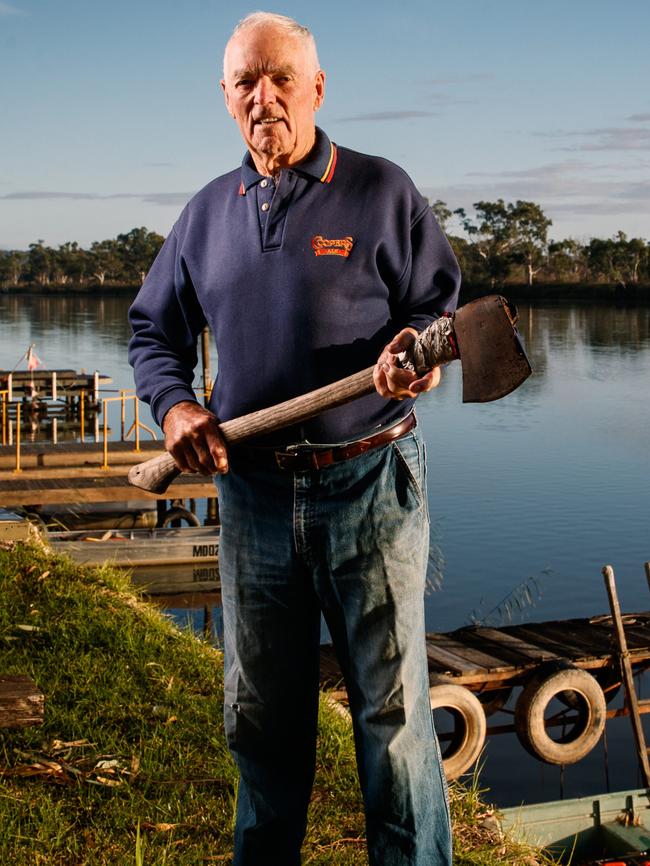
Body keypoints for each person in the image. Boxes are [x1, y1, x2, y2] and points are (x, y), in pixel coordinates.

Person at [128, 12, 460, 865]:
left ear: (318, 86)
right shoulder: (206, 214)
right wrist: (174, 410)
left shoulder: (382, 191)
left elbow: (441, 312)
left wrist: (416, 353)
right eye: (245, 81)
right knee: (263, 719)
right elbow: (151, 333)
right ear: (226, 98)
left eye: (280, 77)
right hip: (255, 498)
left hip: (370, 484)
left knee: (392, 726)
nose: (263, 96)